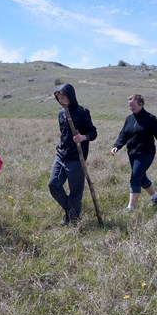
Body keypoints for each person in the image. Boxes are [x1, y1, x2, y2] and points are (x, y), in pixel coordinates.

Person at [111, 94, 157, 211]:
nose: (130, 107)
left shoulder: (150, 119)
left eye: (133, 105)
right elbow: (123, 135)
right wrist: (117, 146)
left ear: (141, 104)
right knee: (141, 179)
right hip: (132, 154)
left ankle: (130, 208)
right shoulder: (129, 119)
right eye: (129, 105)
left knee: (135, 178)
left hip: (146, 154)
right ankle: (156, 197)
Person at [48, 84, 98, 224]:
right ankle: (71, 212)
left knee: (75, 192)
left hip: (76, 158)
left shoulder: (82, 111)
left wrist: (83, 137)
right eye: (59, 98)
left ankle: (73, 219)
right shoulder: (61, 113)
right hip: (61, 155)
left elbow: (93, 132)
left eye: (63, 97)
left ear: (70, 96)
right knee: (53, 184)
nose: (61, 100)